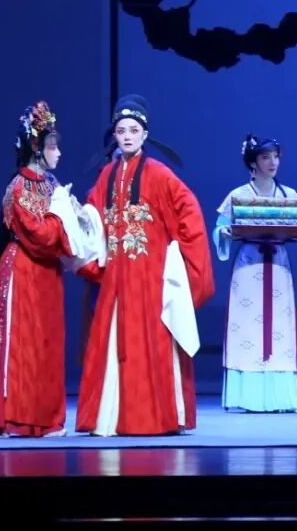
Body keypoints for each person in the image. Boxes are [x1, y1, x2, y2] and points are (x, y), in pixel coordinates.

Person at [74, 95, 215, 436]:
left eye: (133, 131)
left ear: (145, 134)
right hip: (116, 278)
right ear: (114, 135)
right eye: (121, 131)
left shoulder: (159, 174)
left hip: (149, 277)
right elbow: (94, 215)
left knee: (150, 343)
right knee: (112, 341)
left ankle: (155, 417)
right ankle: (111, 418)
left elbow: (189, 212)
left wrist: (177, 258)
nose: (127, 136)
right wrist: (79, 217)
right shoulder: (106, 175)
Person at [0, 101, 99, 438]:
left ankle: (46, 418)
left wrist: (78, 215)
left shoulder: (50, 183)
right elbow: (40, 236)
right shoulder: (18, 188)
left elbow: (61, 226)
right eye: (53, 146)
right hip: (24, 270)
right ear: (36, 148)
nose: (58, 152)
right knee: (22, 344)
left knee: (48, 343)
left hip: (46, 273)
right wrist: (60, 217)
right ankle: (13, 418)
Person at [212, 134, 297, 412]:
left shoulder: (289, 195)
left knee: (280, 328)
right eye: (265, 157)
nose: (273, 162)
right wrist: (224, 232)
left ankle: (282, 396)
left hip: (278, 265)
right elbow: (219, 227)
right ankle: (247, 396)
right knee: (247, 327)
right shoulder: (238, 195)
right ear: (253, 162)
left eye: (276, 157)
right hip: (249, 265)